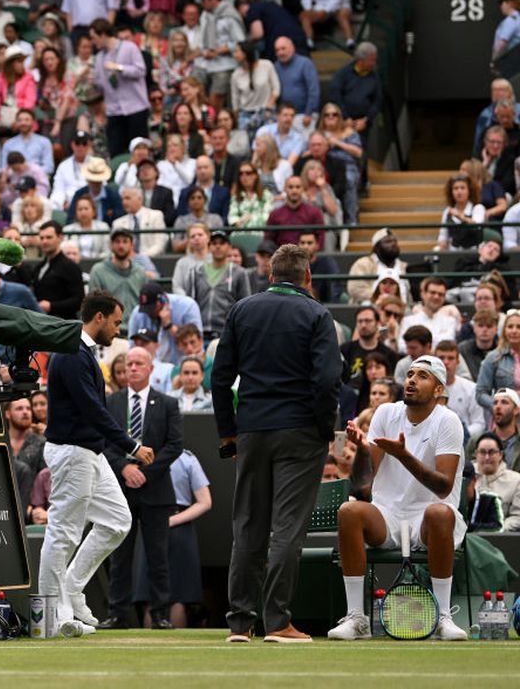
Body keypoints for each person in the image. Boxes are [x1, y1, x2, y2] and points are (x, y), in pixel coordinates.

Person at [212, 244, 342, 643]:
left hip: (252, 429)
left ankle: (239, 624)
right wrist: (325, 429)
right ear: (307, 277)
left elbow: (220, 377)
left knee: (248, 527)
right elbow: (327, 381)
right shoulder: (317, 314)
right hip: (301, 431)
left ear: (270, 275)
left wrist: (228, 431)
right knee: (288, 529)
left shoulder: (242, 310)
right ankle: (277, 622)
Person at [326, 355, 468, 641]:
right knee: (348, 511)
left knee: (440, 512)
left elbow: (443, 487)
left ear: (439, 389)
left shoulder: (448, 421)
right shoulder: (385, 413)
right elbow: (363, 483)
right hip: (387, 515)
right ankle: (357, 617)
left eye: (422, 376)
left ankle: (443, 617)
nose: (412, 380)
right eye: (410, 374)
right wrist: (362, 450)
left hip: (430, 517)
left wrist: (403, 456)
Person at [41, 291, 154, 634]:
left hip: (90, 451)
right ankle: (52, 615)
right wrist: (132, 446)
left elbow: (93, 411)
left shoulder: (81, 352)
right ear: (99, 317)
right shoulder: (71, 353)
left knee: (117, 521)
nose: (119, 330)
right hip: (72, 452)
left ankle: (72, 587)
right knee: (63, 533)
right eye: (116, 322)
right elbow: (93, 410)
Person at [99, 345, 182, 629]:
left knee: (158, 556)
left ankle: (160, 615)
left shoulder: (168, 403)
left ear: (150, 369)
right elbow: (103, 443)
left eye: (138, 364)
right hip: (120, 489)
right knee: (119, 556)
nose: (133, 368)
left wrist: (145, 473)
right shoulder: (110, 403)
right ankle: (117, 614)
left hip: (155, 489)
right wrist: (124, 467)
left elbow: (174, 445)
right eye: (129, 364)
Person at [89, 19, 149, 158]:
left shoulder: (129, 47)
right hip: (114, 110)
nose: (93, 42)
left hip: (135, 107)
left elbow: (141, 71)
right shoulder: (99, 58)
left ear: (103, 34)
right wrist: (94, 81)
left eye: (94, 37)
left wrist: (120, 68)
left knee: (139, 151)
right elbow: (101, 86)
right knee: (116, 151)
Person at [182, 229, 251, 342]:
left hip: (227, 334)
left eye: (222, 243)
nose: (218, 246)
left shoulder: (239, 273)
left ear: (229, 247)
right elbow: (189, 303)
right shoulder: (195, 272)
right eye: (214, 243)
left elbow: (245, 305)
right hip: (200, 334)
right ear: (209, 247)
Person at [466, 433, 520, 532]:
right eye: (482, 452)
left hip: (502, 536)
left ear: (500, 455)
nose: (487, 457)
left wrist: (495, 530)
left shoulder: (516, 481)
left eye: (491, 452)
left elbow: (517, 516)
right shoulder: (465, 476)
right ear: (476, 454)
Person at [264, 175, 324, 247]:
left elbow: (320, 239)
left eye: (298, 187)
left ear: (303, 189)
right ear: (285, 189)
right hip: (282, 253)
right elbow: (268, 240)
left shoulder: (314, 212)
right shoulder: (275, 214)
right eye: (290, 187)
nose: (294, 190)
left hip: (306, 253)